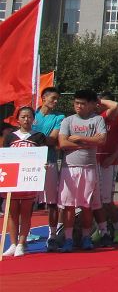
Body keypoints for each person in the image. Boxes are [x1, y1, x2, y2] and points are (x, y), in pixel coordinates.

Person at [57, 89, 107, 252]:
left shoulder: (98, 119)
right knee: (68, 205)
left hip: (89, 168)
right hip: (69, 168)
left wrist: (79, 138)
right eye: (76, 103)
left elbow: (102, 140)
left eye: (83, 104)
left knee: (86, 205)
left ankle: (86, 237)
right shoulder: (68, 120)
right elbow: (63, 143)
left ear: (92, 104)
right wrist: (87, 144)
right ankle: (68, 239)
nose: (78, 106)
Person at [3, 106, 48, 257]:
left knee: (26, 213)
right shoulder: (10, 137)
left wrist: (43, 165)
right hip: (13, 180)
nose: (26, 119)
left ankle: (22, 244)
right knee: (12, 213)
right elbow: (5, 157)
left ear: (33, 119)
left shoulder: (39, 136)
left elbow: (42, 156)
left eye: (29, 116)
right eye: (23, 117)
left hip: (29, 180)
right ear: (18, 119)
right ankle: (13, 244)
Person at [32, 86, 65, 251]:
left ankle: (52, 235)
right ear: (43, 98)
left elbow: (53, 139)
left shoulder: (59, 117)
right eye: (53, 98)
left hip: (49, 162)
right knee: (26, 201)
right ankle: (22, 236)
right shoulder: (31, 115)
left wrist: (33, 138)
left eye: (57, 99)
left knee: (51, 202)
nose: (56, 101)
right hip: (30, 163)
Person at [94, 92, 118, 246]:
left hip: (109, 162)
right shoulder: (93, 116)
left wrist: (113, 156)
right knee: (95, 200)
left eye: (102, 102)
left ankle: (117, 230)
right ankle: (102, 230)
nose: (100, 105)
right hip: (92, 161)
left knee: (107, 199)